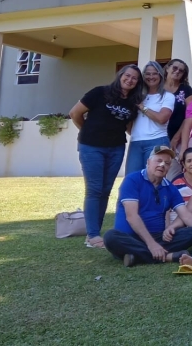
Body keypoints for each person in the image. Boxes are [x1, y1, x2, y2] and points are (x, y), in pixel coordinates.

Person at [69, 64, 145, 249]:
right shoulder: (99, 92)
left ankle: (95, 232)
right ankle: (92, 235)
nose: (130, 80)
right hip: (92, 147)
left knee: (105, 190)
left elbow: (128, 127)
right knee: (94, 189)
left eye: (134, 78)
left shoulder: (132, 103)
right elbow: (75, 113)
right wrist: (88, 131)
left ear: (137, 82)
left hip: (116, 148)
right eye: (127, 75)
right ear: (120, 75)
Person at [103, 146, 192, 266]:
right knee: (110, 237)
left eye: (167, 163)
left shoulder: (170, 187)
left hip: (159, 237)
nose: (162, 165)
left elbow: (186, 215)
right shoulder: (132, 180)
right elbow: (132, 216)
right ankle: (168, 256)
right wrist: (151, 244)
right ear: (148, 162)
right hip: (130, 237)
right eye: (158, 160)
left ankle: (137, 256)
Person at [125, 61, 175, 175]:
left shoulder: (167, 96)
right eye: (147, 74)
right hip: (136, 142)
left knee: (154, 179)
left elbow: (162, 118)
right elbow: (129, 122)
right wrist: (135, 133)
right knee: (132, 178)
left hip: (157, 141)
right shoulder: (137, 96)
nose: (151, 77)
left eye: (154, 73)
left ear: (160, 76)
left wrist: (142, 107)